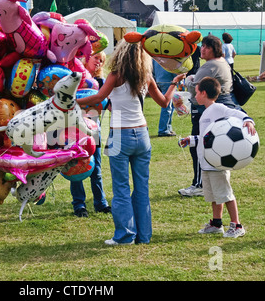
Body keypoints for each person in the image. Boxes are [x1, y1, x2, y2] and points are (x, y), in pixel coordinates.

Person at [77, 39, 185, 245]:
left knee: (121, 188)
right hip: (142, 136)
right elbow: (164, 102)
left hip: (120, 136)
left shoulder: (116, 76)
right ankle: (143, 236)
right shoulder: (146, 77)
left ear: (121, 54)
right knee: (142, 188)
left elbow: (97, 97)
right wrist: (173, 83)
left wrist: (70, 102)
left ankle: (125, 235)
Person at [179, 77, 256, 238]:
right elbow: (206, 138)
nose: (195, 96)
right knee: (214, 195)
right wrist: (191, 140)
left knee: (225, 194)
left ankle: (237, 225)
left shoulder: (218, 108)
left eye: (197, 92)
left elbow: (237, 112)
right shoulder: (205, 112)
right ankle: (216, 223)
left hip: (217, 164)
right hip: (207, 164)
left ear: (204, 93)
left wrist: (248, 120)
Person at [177, 35, 240, 198]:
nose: (202, 49)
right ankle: (206, 183)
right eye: (202, 46)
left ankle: (199, 184)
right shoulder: (223, 62)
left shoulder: (209, 66)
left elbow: (194, 88)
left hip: (206, 109)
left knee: (198, 145)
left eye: (206, 47)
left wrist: (190, 79)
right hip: (221, 104)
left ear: (214, 49)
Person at [71, 51, 111, 217]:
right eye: (96, 58)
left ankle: (100, 203)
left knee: (97, 167)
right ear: (86, 58)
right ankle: (79, 205)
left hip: (94, 129)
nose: (99, 63)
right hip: (73, 129)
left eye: (102, 61)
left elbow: (106, 104)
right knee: (75, 166)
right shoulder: (73, 79)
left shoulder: (101, 82)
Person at [153, 60, 176, 137]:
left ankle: (167, 128)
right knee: (167, 106)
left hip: (160, 79)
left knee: (170, 106)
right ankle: (164, 130)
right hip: (169, 80)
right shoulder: (169, 52)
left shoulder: (156, 54)